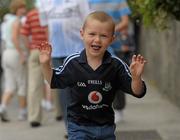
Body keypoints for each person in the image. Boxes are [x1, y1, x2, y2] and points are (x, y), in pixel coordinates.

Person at [39, 11, 147, 140]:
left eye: (103, 36)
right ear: (82, 34)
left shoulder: (116, 65)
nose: (97, 39)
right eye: (92, 34)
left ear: (112, 39)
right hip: (78, 126)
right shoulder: (73, 63)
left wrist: (136, 78)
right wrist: (45, 64)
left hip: (106, 127)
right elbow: (54, 81)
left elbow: (138, 92)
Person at [37, 0, 90, 133]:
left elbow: (88, 22)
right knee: (62, 91)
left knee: (80, 87)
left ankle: (85, 122)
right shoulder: (43, 2)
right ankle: (70, 127)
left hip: (77, 50)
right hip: (56, 53)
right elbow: (45, 27)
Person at [88, 0, 132, 122]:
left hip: (116, 46)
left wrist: (108, 31)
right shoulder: (89, 2)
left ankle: (118, 109)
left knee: (116, 78)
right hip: (96, 46)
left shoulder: (119, 1)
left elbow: (125, 22)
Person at [20, 7, 51, 127]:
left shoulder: (31, 14)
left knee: (33, 85)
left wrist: (29, 47)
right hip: (49, 50)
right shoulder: (51, 11)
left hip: (34, 51)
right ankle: (60, 113)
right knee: (55, 80)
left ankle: (34, 118)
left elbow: (23, 34)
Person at [0, 0, 27, 122]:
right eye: (22, 8)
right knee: (22, 83)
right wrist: (22, 54)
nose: (24, 10)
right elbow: (14, 38)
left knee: (9, 85)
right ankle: (22, 113)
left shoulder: (7, 21)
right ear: (17, 9)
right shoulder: (17, 21)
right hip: (15, 53)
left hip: (6, 53)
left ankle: (2, 108)